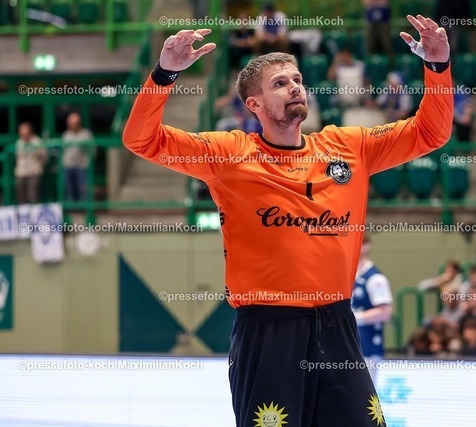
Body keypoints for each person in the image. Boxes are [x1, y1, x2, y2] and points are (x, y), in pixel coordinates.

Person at [122, 16, 453, 427]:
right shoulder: (228, 154)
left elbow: (431, 133)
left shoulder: (349, 147)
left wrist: (437, 67)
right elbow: (141, 140)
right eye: (280, 83)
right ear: (254, 105)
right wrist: (164, 74)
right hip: (267, 332)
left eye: (297, 79)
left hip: (337, 325)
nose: (295, 86)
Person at [351, 233, 393, 380]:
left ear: (366, 246)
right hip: (350, 348)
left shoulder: (375, 278)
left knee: (363, 392)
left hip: (368, 350)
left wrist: (353, 318)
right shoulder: (350, 276)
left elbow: (385, 313)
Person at [62, 112, 93, 202]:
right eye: (70, 123)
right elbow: (63, 150)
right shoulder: (66, 135)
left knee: (83, 189)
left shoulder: (86, 134)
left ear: (79, 123)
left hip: (82, 166)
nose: (72, 125)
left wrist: (88, 162)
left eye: (74, 123)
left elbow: (92, 150)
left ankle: (85, 207)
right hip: (68, 166)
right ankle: (71, 208)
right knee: (69, 189)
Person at [14, 122, 47, 204]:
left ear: (29, 131)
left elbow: (44, 157)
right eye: (21, 131)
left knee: (33, 196)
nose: (22, 133)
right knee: (21, 196)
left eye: (24, 131)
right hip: (21, 173)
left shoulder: (37, 142)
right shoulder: (19, 142)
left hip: (33, 173)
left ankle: (34, 211)